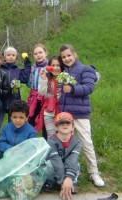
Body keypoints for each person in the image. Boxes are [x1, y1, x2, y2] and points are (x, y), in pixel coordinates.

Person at [58, 44, 104, 187]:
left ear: (75, 54)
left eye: (68, 55)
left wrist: (71, 89)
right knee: (66, 145)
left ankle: (94, 173)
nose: (66, 58)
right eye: (63, 57)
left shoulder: (86, 69)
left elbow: (89, 87)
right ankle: (70, 172)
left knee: (86, 143)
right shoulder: (62, 71)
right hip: (65, 114)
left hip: (80, 114)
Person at [44, 112, 81, 200]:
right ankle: (52, 183)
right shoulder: (51, 141)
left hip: (66, 167)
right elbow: (56, 161)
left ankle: (69, 183)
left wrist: (68, 178)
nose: (65, 124)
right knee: (49, 165)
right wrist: (62, 183)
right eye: (61, 122)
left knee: (77, 165)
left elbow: (72, 160)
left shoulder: (77, 142)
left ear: (72, 127)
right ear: (56, 127)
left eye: (68, 123)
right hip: (54, 167)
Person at [0, 46, 31, 122]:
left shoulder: (18, 70)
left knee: (13, 122)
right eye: (8, 55)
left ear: (16, 57)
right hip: (1, 99)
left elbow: (25, 78)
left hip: (14, 99)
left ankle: (12, 133)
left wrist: (27, 63)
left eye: (13, 55)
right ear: (5, 57)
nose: (11, 57)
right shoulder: (0, 69)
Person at [37, 55, 64, 138]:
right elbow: (42, 92)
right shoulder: (47, 79)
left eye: (58, 65)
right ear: (49, 66)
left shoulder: (65, 78)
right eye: (53, 65)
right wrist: (44, 80)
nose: (55, 68)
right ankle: (53, 151)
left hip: (62, 111)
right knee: (51, 137)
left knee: (63, 135)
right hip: (49, 112)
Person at [27, 43, 49, 138]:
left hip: (46, 97)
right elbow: (30, 82)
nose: (38, 55)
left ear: (46, 53)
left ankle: (47, 143)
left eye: (40, 52)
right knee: (31, 118)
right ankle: (31, 141)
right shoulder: (33, 67)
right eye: (36, 54)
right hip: (34, 97)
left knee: (45, 121)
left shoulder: (50, 67)